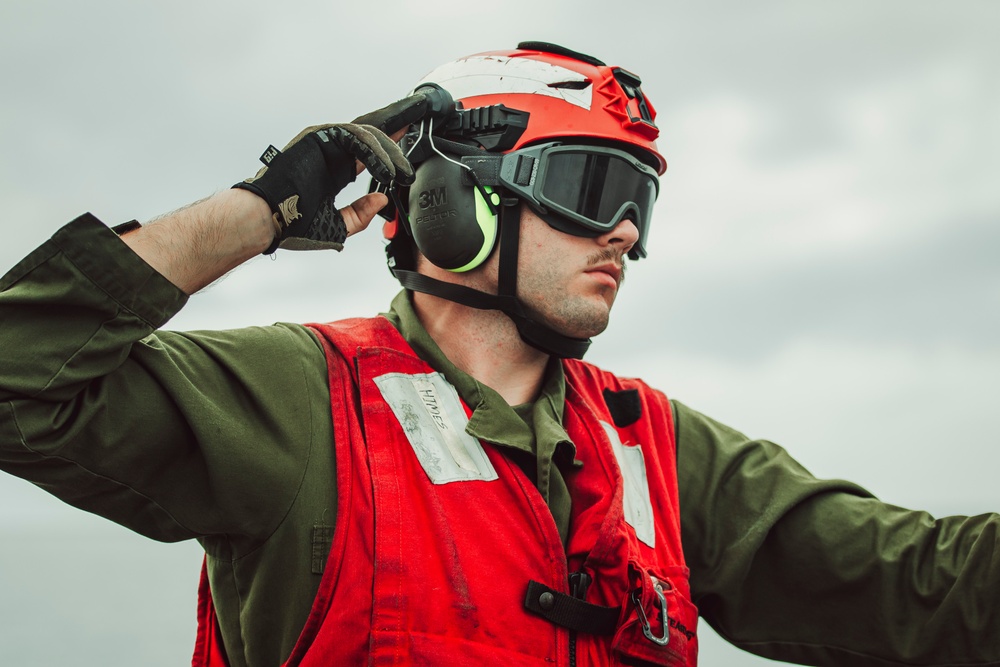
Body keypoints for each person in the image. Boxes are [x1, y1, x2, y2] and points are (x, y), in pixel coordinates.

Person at [1, 42, 998, 667]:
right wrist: (259, 211)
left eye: (637, 204)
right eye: (588, 186)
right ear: (450, 202)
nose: (621, 234)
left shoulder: (656, 448)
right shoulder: (304, 401)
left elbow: (927, 587)